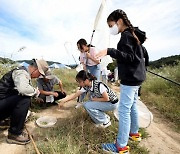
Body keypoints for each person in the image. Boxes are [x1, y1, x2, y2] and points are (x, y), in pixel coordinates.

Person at [96, 9, 146, 153]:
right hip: (138, 77)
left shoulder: (126, 36)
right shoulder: (134, 34)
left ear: (118, 22)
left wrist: (109, 51)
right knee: (132, 105)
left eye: (110, 25)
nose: (110, 29)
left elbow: (129, 57)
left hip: (130, 78)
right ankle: (134, 133)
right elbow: (140, 56)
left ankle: (121, 146)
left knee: (124, 110)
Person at [0, 59, 49, 145]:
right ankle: (14, 134)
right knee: (24, 99)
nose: (38, 77)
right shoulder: (21, 73)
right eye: (40, 74)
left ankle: (6, 121)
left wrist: (34, 96)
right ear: (36, 70)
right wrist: (35, 92)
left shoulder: (23, 73)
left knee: (21, 97)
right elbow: (23, 89)